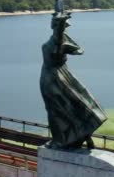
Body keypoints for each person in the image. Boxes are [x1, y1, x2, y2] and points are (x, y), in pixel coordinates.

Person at [40, 13, 108, 149]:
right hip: (61, 76)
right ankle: (81, 135)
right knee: (72, 106)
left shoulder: (58, 42)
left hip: (53, 78)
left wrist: (61, 20)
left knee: (58, 110)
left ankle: (63, 140)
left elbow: (62, 39)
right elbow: (78, 49)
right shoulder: (61, 41)